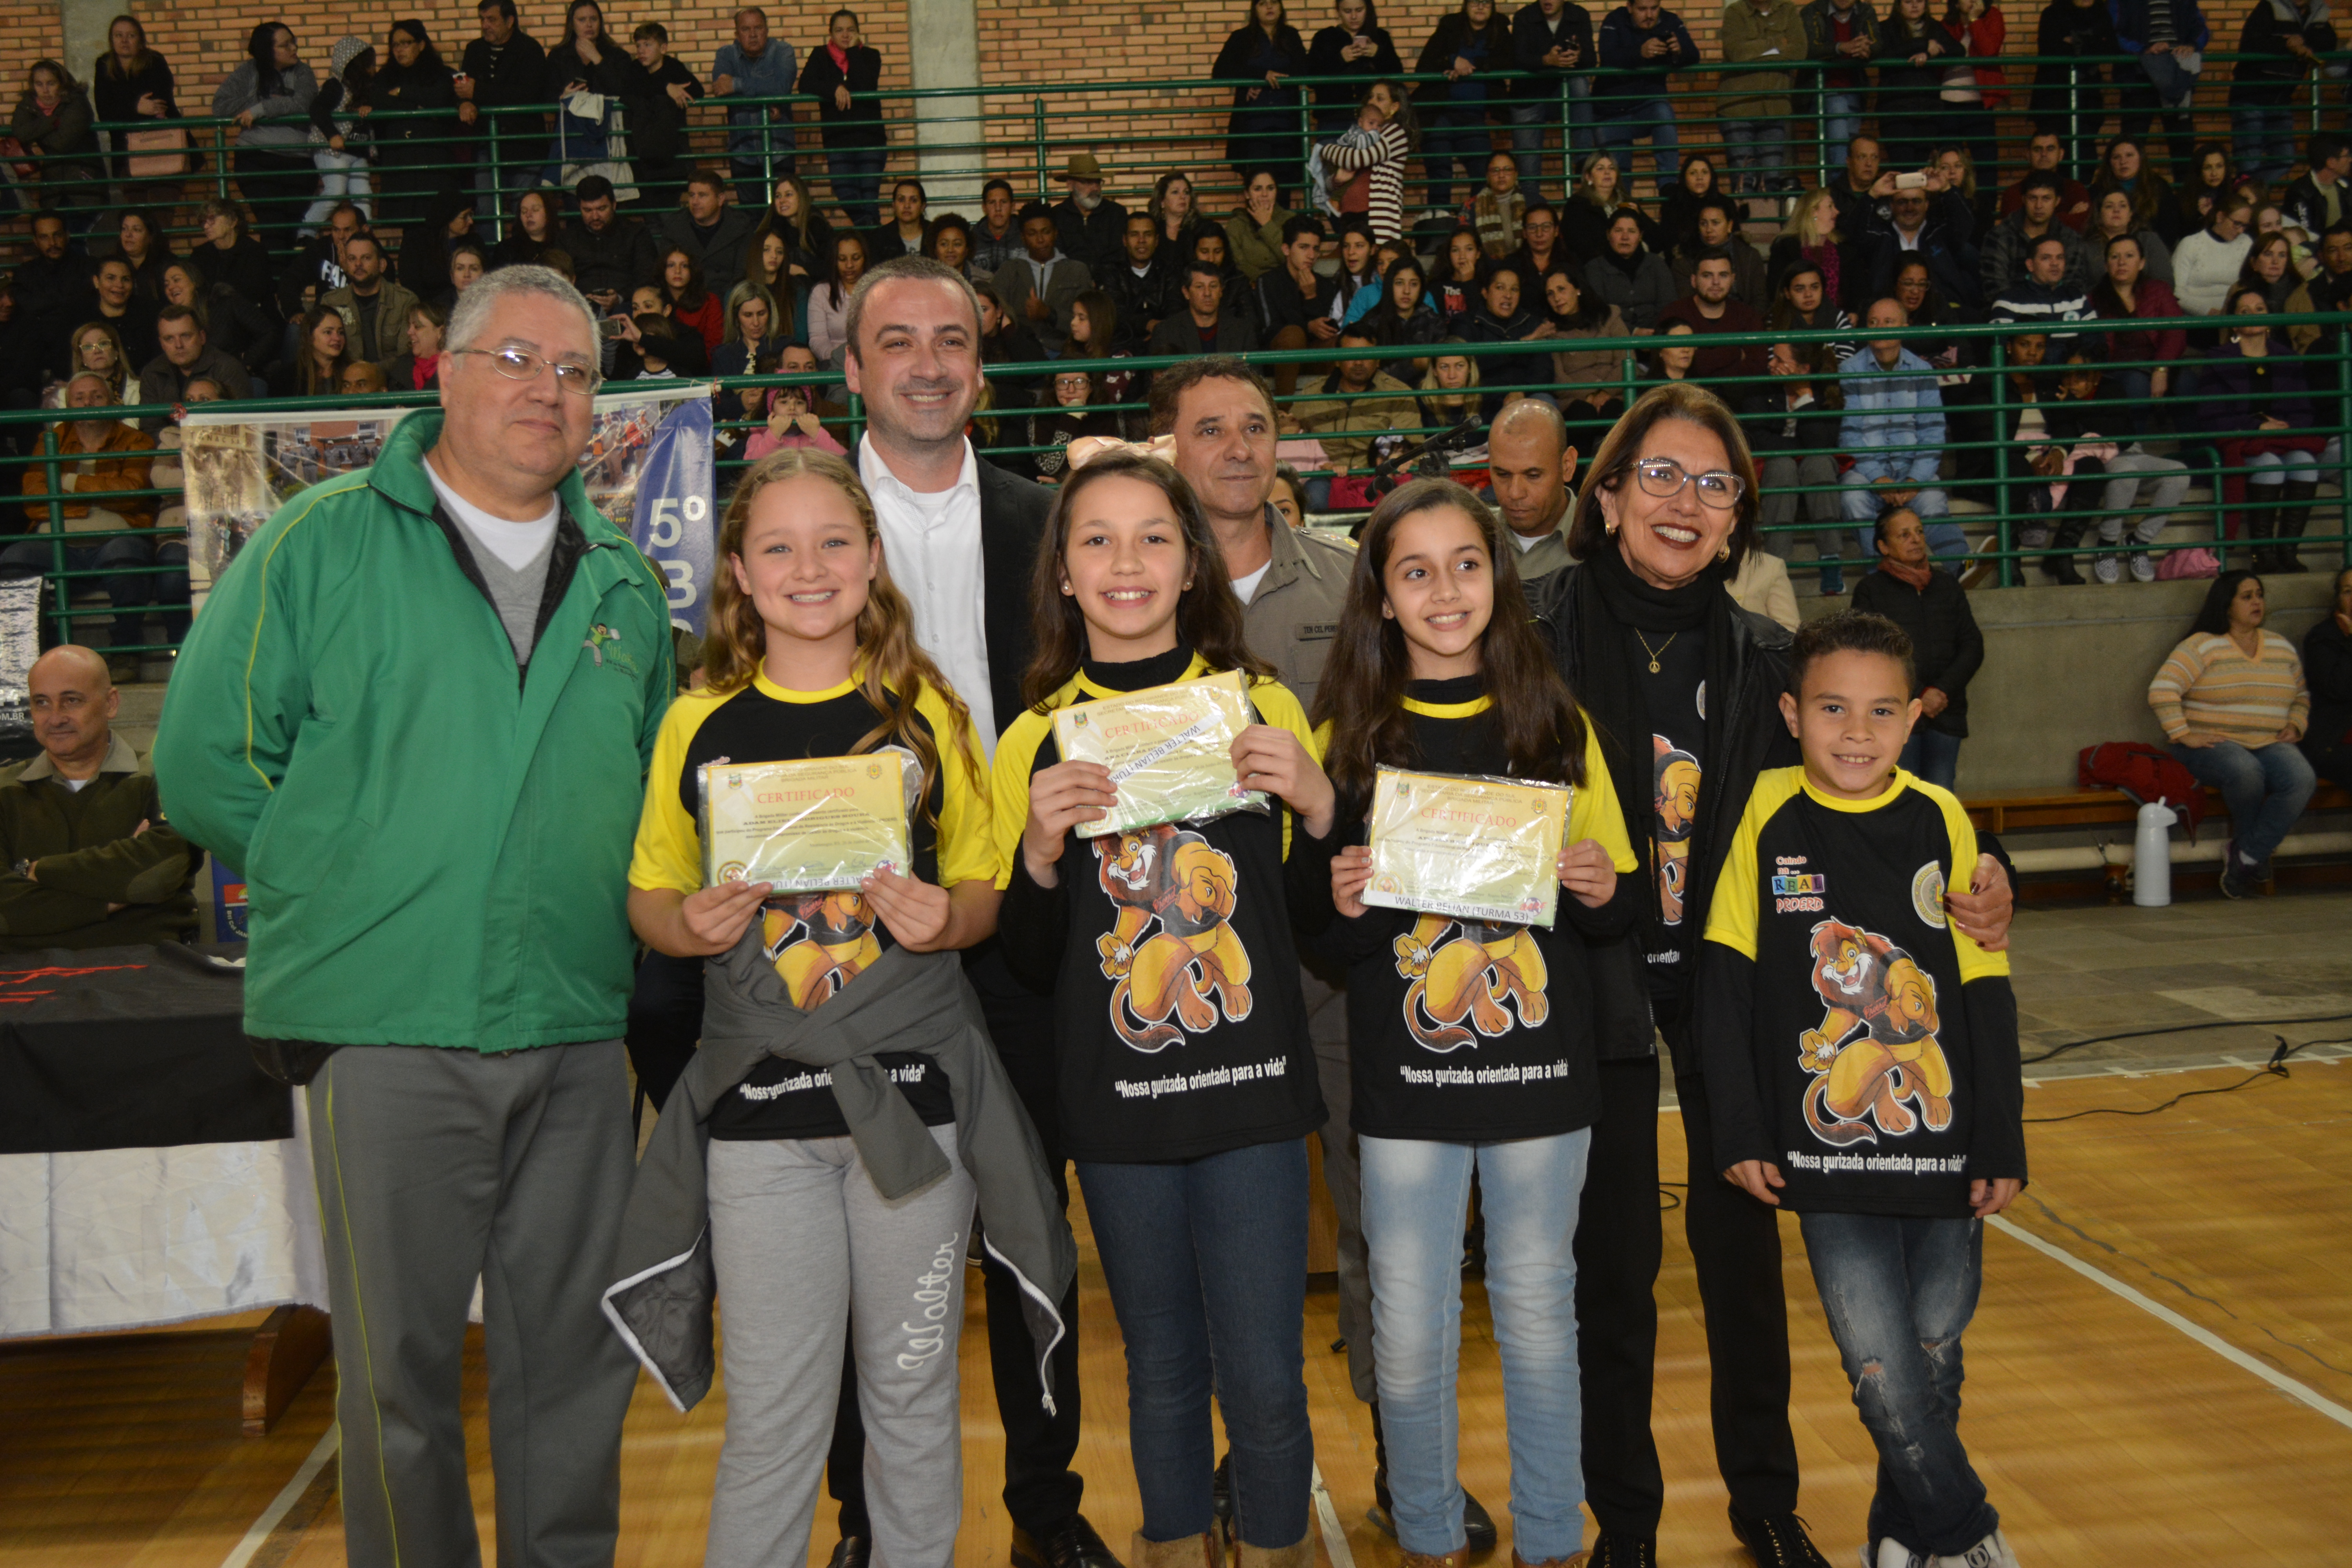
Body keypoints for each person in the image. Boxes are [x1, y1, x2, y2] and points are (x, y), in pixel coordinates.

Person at [154, 263, 668, 1568]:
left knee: (574, 1369)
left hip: (572, 1027)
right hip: (383, 1028)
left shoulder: (621, 581)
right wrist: (346, 885)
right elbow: (207, 762)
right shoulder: (317, 540)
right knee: (400, 1386)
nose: (544, 391)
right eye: (516, 359)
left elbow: (650, 799)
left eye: (572, 371)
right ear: (443, 367)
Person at [1522, 381, 2022, 1568]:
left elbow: (1872, 802)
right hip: (1582, 982)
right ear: (1603, 493)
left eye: (1713, 483)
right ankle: (1623, 1525)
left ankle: (1762, 1504)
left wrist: (1980, 873)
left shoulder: (1767, 657)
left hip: (1736, 988)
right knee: (1612, 1269)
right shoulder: (1525, 634)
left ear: (1738, 515)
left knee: (1743, 1261)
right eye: (1658, 473)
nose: (1683, 501)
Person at [617, 442, 1070, 1568]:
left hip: (911, 1110)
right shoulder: (697, 724)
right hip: (762, 1121)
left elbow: (983, 885)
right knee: (774, 1409)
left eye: (834, 542)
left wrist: (945, 920)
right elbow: (649, 895)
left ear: (873, 560)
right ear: (740, 573)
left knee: (913, 1390)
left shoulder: (929, 715)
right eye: (779, 545)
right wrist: (690, 927)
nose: (807, 567)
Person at [826, 254, 1121, 1568]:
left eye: (952, 338)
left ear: (981, 362)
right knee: (854, 1240)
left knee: (1030, 1237)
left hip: (1028, 930)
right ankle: (862, 1522)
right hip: (849, 941)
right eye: (899, 341)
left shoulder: (1048, 522)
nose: (930, 362)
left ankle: (1045, 1516)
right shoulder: (803, 520)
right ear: (854, 367)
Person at [992, 450, 1332, 1568]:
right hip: (1123, 1113)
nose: (1126, 561)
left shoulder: (1265, 707)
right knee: (1163, 1370)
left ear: (1192, 564)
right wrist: (1039, 850)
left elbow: (1314, 934)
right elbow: (1033, 965)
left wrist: (1323, 808)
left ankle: (1278, 1546)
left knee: (1268, 1377)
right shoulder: (1033, 739)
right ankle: (1176, 1546)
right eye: (1097, 538)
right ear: (1065, 574)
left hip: (1253, 1103)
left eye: (1152, 536)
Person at [1300, 479, 1635, 1568]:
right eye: (1415, 570)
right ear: (1382, 599)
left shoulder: (1556, 720)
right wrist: (1341, 895)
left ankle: (1550, 1541)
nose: (1446, 589)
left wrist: (1592, 884)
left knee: (1540, 1316)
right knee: (1408, 1331)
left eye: (1466, 563)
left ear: (1501, 578)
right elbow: (1324, 938)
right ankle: (1433, 1537)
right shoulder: (1341, 739)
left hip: (1541, 1074)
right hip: (1409, 1084)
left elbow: (1621, 904)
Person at [1696, 607, 2025, 1568]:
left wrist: (2000, 1139)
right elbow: (1724, 982)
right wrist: (1740, 1130)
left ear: (1913, 720)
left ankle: (1897, 1534)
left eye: (1881, 712)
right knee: (1879, 1368)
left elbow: (1984, 989)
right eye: (1833, 708)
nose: (1855, 732)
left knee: (1932, 1357)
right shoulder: (1761, 812)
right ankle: (1970, 1536)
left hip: (1947, 1149)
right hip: (1825, 1156)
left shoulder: (1942, 816)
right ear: (1792, 712)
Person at [0, 646, 202, 949]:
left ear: (111, 703)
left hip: (148, 972)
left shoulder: (166, 777)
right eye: (42, 703)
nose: (55, 718)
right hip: (26, 979)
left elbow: (155, 875)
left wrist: (35, 871)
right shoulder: (5, 790)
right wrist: (109, 899)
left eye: (71, 701)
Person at [2149, 570, 2316, 896]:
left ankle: (2247, 854)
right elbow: (2162, 689)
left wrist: (2296, 724)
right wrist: (2183, 733)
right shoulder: (2202, 645)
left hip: (2268, 740)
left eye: (2260, 595)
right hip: (2210, 742)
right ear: (2227, 605)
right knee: (2245, 772)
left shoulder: (2280, 646)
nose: (2257, 602)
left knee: (2301, 779)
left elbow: (2301, 695)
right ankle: (2254, 855)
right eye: (2247, 596)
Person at [11, 373, 158, 679]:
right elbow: (35, 497)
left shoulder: (136, 440)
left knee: (128, 556)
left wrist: (68, 482)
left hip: (114, 542)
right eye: (79, 398)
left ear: (112, 401)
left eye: (97, 396)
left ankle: (125, 653)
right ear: (67, 405)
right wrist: (99, 494)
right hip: (55, 545)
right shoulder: (49, 440)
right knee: (13, 561)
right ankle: (37, 657)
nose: (88, 404)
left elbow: (132, 494)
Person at [2200, 288, 2337, 573]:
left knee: (2305, 463)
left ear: (2270, 318)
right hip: (2243, 441)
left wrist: (2285, 427)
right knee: (2270, 465)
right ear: (2234, 322)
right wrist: (2258, 425)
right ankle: (2262, 554)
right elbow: (2212, 416)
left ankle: (2287, 551)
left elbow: (2304, 412)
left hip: (2283, 439)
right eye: (2244, 311)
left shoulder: (2288, 359)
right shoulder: (2218, 359)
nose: (2253, 315)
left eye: (2260, 309)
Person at [1849, 509, 1980, 785]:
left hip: (1947, 710)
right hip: (1896, 714)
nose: (1916, 540)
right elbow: (1871, 654)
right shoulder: (1871, 590)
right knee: (1900, 795)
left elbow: (1972, 644)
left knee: (1941, 797)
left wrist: (1941, 691)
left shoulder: (1947, 586)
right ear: (1884, 547)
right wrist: (1920, 693)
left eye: (1919, 532)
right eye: (1904, 534)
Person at [1840, 298, 1966, 561]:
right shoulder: (1849, 370)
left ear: (1905, 327)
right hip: (1865, 470)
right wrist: (1876, 477)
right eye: (1873, 323)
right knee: (1853, 499)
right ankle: (1882, 574)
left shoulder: (1922, 371)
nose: (1879, 329)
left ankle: (1963, 567)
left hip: (1912, 467)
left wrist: (1915, 480)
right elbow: (1849, 434)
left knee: (1931, 502)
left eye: (1888, 322)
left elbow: (1933, 433)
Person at [1743, 339, 1850, 593]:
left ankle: (1830, 559)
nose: (1772, 364)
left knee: (1820, 464)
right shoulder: (1760, 385)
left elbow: (1822, 444)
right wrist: (1799, 445)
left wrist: (1804, 396)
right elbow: (1757, 439)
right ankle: (1776, 564)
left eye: (1780, 360)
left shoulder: (1825, 389)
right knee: (1782, 465)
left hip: (1812, 466)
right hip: (1774, 467)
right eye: (1773, 358)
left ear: (1803, 369)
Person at [213, 23, 319, 255]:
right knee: (272, 229)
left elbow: (303, 104)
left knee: (291, 231)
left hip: (299, 163)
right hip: (256, 160)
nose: (294, 48)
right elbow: (220, 106)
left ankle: (284, 288)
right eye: (284, 45)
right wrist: (259, 99)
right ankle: (275, 288)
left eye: (293, 41)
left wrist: (262, 109)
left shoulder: (303, 72)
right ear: (267, 50)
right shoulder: (249, 72)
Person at [1286, 330, 1418, 505]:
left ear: (1378, 360)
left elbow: (1412, 446)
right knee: (1314, 497)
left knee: (1410, 493)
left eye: (1366, 356)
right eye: (1351, 355)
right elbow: (1290, 431)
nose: (1358, 362)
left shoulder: (1398, 393)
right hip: (1329, 476)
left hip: (1379, 475)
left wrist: (1396, 464)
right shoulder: (1313, 393)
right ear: (1338, 360)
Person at [1410, 0, 1512, 213]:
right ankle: (1439, 231)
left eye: (1486, 2)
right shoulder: (1450, 26)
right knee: (1440, 173)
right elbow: (1425, 65)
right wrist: (1452, 60)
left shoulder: (1500, 29)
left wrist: (1473, 66)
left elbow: (1510, 61)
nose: (1480, 7)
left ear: (1493, 7)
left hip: (1473, 115)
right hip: (1440, 112)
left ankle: (1471, 225)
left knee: (1483, 173)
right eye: (1475, 2)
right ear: (1466, 6)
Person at [456, 0, 548, 220]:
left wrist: (477, 92)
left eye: (492, 20)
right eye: (482, 19)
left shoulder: (530, 50)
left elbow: (529, 95)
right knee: (487, 210)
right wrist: (464, 103)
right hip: (487, 143)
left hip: (525, 145)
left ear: (510, 21)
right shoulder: (475, 50)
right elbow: (463, 89)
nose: (486, 25)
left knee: (525, 211)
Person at [2230, 0, 2336, 190]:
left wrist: (2304, 42)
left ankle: (2248, 194)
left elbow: (2329, 41)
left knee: (2285, 159)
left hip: (2280, 100)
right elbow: (2251, 44)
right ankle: (2246, 201)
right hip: (2250, 96)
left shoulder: (2317, 14)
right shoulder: (2270, 7)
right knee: (2249, 163)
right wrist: (2286, 45)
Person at [797, 9, 886, 230]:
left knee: (868, 199)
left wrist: (854, 52)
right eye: (839, 30)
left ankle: (871, 246)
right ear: (831, 34)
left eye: (851, 30)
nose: (845, 35)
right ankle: (874, 235)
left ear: (858, 33)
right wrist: (834, 88)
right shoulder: (820, 55)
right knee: (846, 193)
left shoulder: (870, 55)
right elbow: (805, 84)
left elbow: (866, 84)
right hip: (838, 139)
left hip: (870, 139)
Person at [1593, 0, 1696, 190]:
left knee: (1663, 111)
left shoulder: (1670, 20)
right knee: (1619, 183)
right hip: (1612, 109)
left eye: (1654, 8)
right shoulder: (1615, 19)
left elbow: (1693, 54)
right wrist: (1640, 52)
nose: (1649, 15)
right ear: (1630, 7)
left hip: (1647, 105)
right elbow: (1608, 56)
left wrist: (1680, 51)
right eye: (1642, 9)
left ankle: (1668, 186)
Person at [369, 20, 461, 225]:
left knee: (439, 224)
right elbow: (378, 101)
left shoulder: (441, 74)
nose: (400, 50)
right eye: (395, 45)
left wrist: (403, 92)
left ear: (421, 45)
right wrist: (420, 109)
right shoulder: (384, 77)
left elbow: (441, 98)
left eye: (406, 43)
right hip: (399, 165)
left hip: (434, 163)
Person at [537, 0, 633, 195]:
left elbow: (625, 91)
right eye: (582, 20)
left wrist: (597, 59)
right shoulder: (558, 56)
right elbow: (546, 98)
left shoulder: (617, 56)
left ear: (601, 22)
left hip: (607, 138)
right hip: (573, 141)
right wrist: (563, 96)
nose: (589, 25)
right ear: (572, 24)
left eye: (593, 19)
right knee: (575, 202)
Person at [92, 14, 183, 210]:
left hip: (163, 148)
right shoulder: (104, 65)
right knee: (136, 218)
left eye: (131, 35)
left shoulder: (155, 61)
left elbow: (158, 104)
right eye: (119, 35)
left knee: (160, 219)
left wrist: (123, 107)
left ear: (141, 39)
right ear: (111, 39)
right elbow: (105, 112)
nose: (124, 41)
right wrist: (136, 107)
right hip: (127, 155)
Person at [712, 6, 798, 208]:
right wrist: (767, 103)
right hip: (743, 151)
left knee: (784, 213)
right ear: (737, 34)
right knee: (752, 217)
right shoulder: (726, 55)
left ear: (767, 31)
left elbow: (782, 88)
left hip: (780, 150)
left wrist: (736, 85)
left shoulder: (783, 51)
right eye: (746, 29)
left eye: (758, 28)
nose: (753, 35)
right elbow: (720, 90)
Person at [2111, 0, 2206, 181]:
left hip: (2175, 73)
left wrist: (2192, 46)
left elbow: (2201, 30)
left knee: (2183, 146)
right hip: (2138, 77)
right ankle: (2127, 201)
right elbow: (2113, 32)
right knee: (2132, 143)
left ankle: (2184, 201)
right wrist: (2144, 50)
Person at [1485, 396, 1579, 576]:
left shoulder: (1604, 543)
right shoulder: (1473, 536)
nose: (1515, 493)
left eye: (1533, 476)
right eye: (1503, 475)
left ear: (1568, 465)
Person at [1720, 0, 1802, 196]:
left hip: (1775, 108)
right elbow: (1736, 53)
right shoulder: (1735, 12)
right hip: (1738, 108)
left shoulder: (1788, 10)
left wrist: (1755, 52)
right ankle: (1744, 226)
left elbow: (1799, 51)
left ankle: (1766, 227)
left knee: (1772, 183)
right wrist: (1776, 44)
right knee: (1743, 184)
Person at [618, 21, 704, 205]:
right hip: (642, 151)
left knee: (669, 210)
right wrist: (667, 87)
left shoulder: (673, 67)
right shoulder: (635, 69)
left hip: (671, 153)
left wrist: (667, 89)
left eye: (648, 45)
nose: (641, 50)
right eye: (638, 45)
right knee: (649, 210)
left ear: (663, 48)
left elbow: (697, 90)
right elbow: (628, 92)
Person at [1320, 79, 1414, 247]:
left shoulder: (1395, 132)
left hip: (1377, 221)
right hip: (1350, 218)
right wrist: (1337, 180)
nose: (1372, 102)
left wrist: (1326, 150)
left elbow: (1358, 159)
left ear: (1394, 107)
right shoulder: (1357, 135)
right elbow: (1330, 185)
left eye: (1380, 99)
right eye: (1371, 97)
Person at [1510, 0, 1593, 186]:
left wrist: (1577, 57)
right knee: (1528, 174)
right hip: (1528, 96)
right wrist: (1547, 61)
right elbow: (1517, 59)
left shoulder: (1579, 15)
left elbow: (1591, 58)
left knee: (1580, 82)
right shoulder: (1524, 17)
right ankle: (1531, 205)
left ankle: (1584, 159)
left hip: (1561, 93)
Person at [2031, 0, 2118, 179]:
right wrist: (2091, 42)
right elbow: (2050, 49)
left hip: (2088, 99)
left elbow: (2111, 48)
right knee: (2055, 153)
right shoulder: (2053, 14)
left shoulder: (2101, 15)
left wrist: (2075, 42)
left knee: (2086, 153)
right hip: (2054, 99)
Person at [994, 203, 1092, 360]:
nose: (1040, 240)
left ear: (1055, 233)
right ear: (1023, 238)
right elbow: (995, 317)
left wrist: (1049, 315)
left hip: (1066, 352)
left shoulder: (1077, 271)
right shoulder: (1009, 271)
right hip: (1019, 354)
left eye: (1046, 232)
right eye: (1032, 234)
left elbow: (1090, 323)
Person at [1861, 180, 1980, 307]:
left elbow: (1964, 226)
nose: (1910, 208)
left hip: (1941, 313)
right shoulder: (1879, 236)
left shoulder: (1940, 234)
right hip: (1889, 315)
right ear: (1892, 205)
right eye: (1902, 202)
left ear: (1927, 204)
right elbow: (1854, 232)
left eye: (1917, 201)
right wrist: (1873, 194)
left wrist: (1946, 189)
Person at [1874, 0, 1962, 172]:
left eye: (1919, 1)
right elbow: (1884, 53)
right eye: (1908, 1)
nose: (1915, 6)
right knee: (1904, 168)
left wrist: (1930, 54)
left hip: (1927, 107)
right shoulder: (1886, 28)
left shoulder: (1934, 27)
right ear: (1899, 5)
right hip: (1896, 108)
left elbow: (1958, 50)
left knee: (1922, 171)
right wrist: (1923, 45)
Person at [11, 60, 102, 222]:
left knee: (77, 237)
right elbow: (21, 132)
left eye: (51, 83)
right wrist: (52, 121)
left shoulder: (76, 102)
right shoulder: (29, 105)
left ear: (62, 84)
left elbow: (61, 144)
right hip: (53, 188)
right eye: (39, 84)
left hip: (83, 183)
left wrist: (36, 129)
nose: (45, 91)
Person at [1656, 250, 1767, 382]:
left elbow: (1758, 367)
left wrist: (1702, 360)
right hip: (1688, 396)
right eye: (1707, 276)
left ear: (1733, 280)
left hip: (1738, 398)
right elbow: (1666, 366)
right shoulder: (1673, 313)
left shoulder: (1748, 315)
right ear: (1694, 280)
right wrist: (1735, 353)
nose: (1716, 282)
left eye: (1723, 275)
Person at [1980, 173, 2096, 299]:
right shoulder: (1999, 236)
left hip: (2059, 313)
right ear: (2024, 200)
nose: (2039, 206)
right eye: (2033, 198)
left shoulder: (2070, 238)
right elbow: (1995, 287)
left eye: (2046, 199)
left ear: (2057, 201)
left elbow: (2073, 286)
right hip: (2011, 312)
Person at [1802, 0, 1882, 178]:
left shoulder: (1865, 11)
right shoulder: (1813, 11)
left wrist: (1866, 49)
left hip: (1853, 90)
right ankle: (1842, 190)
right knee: (1839, 150)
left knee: (1848, 149)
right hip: (1822, 89)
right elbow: (1809, 48)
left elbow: (1878, 43)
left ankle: (1839, 196)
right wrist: (1841, 47)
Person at [562, 173, 662, 314]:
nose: (595, 216)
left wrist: (620, 298)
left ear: (614, 205)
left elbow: (648, 277)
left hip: (628, 307)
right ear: (579, 207)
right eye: (588, 210)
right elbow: (559, 280)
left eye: (602, 209)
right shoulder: (567, 238)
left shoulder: (636, 233)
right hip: (580, 310)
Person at [321, 232, 421, 365]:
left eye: (366, 258)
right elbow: (325, 353)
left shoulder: (405, 301)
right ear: (345, 265)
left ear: (382, 265)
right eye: (352, 259)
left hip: (393, 380)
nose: (358, 264)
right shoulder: (331, 302)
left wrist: (369, 373)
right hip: (346, 380)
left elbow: (407, 356)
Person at [136, 304, 255, 416]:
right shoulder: (152, 373)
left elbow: (241, 423)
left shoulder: (228, 368)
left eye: (185, 336)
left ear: (202, 337)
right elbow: (150, 427)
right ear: (162, 344)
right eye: (169, 339)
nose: (179, 345)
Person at [659, 171, 759, 302]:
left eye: (702, 196)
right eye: (692, 195)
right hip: (684, 301)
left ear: (720, 199)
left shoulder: (741, 226)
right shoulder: (675, 226)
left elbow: (742, 273)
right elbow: (664, 271)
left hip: (727, 301)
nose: (695, 202)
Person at [1768, 186, 1869, 314]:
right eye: (1830, 207)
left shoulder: (1846, 251)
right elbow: (1777, 291)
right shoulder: (1785, 249)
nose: (1837, 212)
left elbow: (1858, 292)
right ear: (1813, 211)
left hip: (1839, 322)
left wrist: (1853, 312)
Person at [1941, 0, 2008, 178]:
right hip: (1947, 103)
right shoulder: (1947, 24)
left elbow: (1989, 51)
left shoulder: (1993, 16)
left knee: (1986, 163)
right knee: (1949, 164)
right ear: (1955, 4)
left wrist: (1974, 20)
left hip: (1979, 103)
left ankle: (1986, 206)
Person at [2299, 567, 2352, 791]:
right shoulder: (2322, 638)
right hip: (2335, 739)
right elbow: (2340, 689)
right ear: (2338, 599)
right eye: (2348, 592)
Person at [1582, 210, 1678, 331]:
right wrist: (1635, 332)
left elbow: (1668, 307)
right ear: (1608, 234)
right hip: (1613, 339)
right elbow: (1598, 314)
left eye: (1632, 232)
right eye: (1618, 231)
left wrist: (1655, 334)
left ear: (1640, 236)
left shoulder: (1657, 264)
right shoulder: (1594, 268)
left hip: (1656, 336)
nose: (1625, 238)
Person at [1990, 233, 2092, 343]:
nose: (2055, 264)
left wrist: (2081, 357)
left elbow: (2096, 341)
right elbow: (2002, 347)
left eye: (2060, 258)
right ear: (2030, 265)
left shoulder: (2078, 299)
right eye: (2046, 258)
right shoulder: (2008, 303)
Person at [1151, 261, 1260, 358]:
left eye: (1213, 286)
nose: (1207, 294)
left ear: (1221, 291)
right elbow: (1157, 379)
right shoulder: (1166, 332)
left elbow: (1254, 377)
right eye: (1200, 287)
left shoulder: (1243, 331)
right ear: (1186, 292)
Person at [2171, 192, 2254, 314]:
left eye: (2245, 226)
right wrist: (2206, 311)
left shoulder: (2246, 243)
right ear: (2220, 217)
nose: (2241, 231)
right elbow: (2177, 292)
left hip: (2236, 316)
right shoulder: (2190, 244)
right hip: (2196, 319)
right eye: (2237, 224)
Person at [1052, 153, 1129, 279]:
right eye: (1088, 182)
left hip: (1109, 286)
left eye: (1098, 182)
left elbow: (1119, 257)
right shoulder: (1056, 216)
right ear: (1070, 185)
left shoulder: (1116, 213)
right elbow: (1056, 259)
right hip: (1069, 285)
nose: (1095, 188)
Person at [1996, 129, 2093, 229]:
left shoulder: (2075, 189)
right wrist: (2068, 216)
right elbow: (2015, 228)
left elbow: (2084, 224)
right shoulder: (2013, 193)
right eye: (2037, 150)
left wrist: (2035, 220)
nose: (2044, 154)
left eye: (2050, 149)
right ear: (2028, 155)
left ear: (2061, 154)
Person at [1107, 212, 1175, 352]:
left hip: (1164, 345)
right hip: (1121, 347)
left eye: (1148, 234)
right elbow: (1116, 314)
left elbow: (1175, 310)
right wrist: (1148, 324)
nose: (1141, 240)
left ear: (1157, 241)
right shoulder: (1112, 272)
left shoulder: (1169, 271)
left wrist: (1160, 331)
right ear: (1125, 240)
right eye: (1134, 235)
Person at [2089, 187, 2174, 283]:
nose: (2116, 210)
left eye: (2123, 206)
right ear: (2099, 215)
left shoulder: (2149, 240)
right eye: (2109, 206)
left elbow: (2165, 282)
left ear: (2131, 214)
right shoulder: (2085, 247)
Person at [2281, 132, 2352, 241]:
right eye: (2346, 156)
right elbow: (2304, 232)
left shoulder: (2347, 187)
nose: (2350, 160)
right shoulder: (2301, 192)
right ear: (2331, 163)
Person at [381, 299, 450, 392]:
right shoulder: (400, 369)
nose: (409, 332)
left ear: (440, 332)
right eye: (410, 326)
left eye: (417, 327)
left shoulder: (456, 370)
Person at [869, 178, 933, 263]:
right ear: (894, 206)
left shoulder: (935, 234)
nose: (907, 206)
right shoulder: (879, 238)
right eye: (901, 200)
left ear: (923, 206)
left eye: (914, 200)